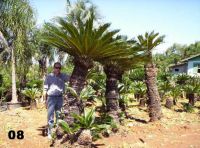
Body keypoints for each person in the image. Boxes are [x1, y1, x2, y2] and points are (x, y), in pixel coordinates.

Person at [43, 62, 70, 139]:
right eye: (56, 67)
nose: (58, 69)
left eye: (59, 68)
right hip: (51, 98)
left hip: (60, 98)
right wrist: (45, 100)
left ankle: (58, 132)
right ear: (53, 68)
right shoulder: (49, 77)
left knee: (59, 115)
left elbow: (72, 77)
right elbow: (45, 89)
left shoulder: (63, 76)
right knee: (50, 116)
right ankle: (50, 133)